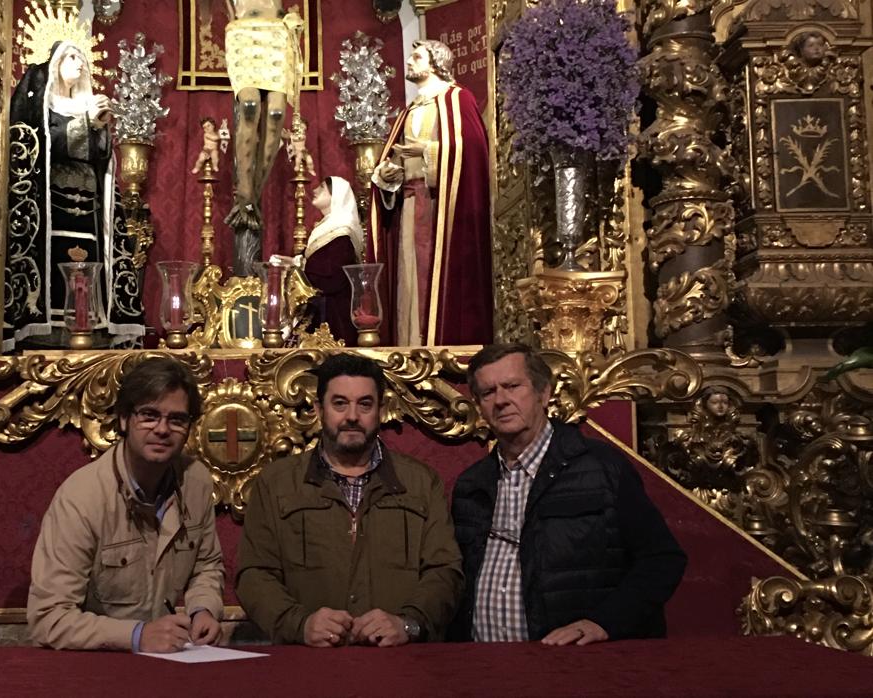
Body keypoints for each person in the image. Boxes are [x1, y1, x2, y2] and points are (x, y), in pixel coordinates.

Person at [449, 343, 686, 644]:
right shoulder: (471, 485)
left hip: (577, 666)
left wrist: (604, 624)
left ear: (543, 393)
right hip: (487, 667)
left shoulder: (602, 468)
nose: (501, 401)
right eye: (488, 392)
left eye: (512, 386)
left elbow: (662, 559)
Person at [237, 353, 463, 646]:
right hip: (309, 663)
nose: (352, 416)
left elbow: (445, 572)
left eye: (365, 404)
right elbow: (254, 574)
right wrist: (300, 624)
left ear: (381, 410)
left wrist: (407, 623)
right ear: (319, 409)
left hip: (400, 663)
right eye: (340, 403)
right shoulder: (276, 483)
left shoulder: (421, 483)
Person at [28, 357, 223, 652]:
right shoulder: (82, 497)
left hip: (170, 657)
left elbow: (206, 565)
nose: (162, 429)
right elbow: (48, 619)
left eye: (177, 420)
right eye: (148, 415)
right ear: (123, 419)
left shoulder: (196, 481)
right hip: (98, 662)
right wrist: (137, 635)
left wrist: (203, 609)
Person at [4, 29, 145, 350]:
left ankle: (90, 328)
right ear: (54, 65)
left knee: (89, 263)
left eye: (82, 59)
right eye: (71, 57)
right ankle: (49, 329)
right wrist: (86, 123)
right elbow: (44, 142)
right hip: (53, 206)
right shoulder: (42, 105)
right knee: (53, 261)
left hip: (88, 207)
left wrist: (99, 129)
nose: (80, 64)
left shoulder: (86, 104)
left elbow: (99, 157)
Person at [369, 40, 492, 346]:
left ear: (436, 63)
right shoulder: (409, 110)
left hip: (441, 210)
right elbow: (394, 160)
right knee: (408, 280)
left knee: (431, 278)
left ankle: (436, 344)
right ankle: (409, 344)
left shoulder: (457, 99)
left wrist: (427, 152)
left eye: (417, 57)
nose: (409, 62)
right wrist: (389, 175)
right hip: (409, 205)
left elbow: (473, 151)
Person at [202, 0, 303, 275]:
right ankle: (245, 193)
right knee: (248, 107)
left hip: (276, 33)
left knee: (277, 112)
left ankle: (251, 195)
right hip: (244, 32)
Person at [304, 176, 364, 345]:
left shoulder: (342, 230)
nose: (315, 190)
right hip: (321, 306)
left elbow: (335, 274)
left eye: (322, 187)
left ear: (336, 195)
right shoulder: (327, 226)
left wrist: (303, 268)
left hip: (334, 310)